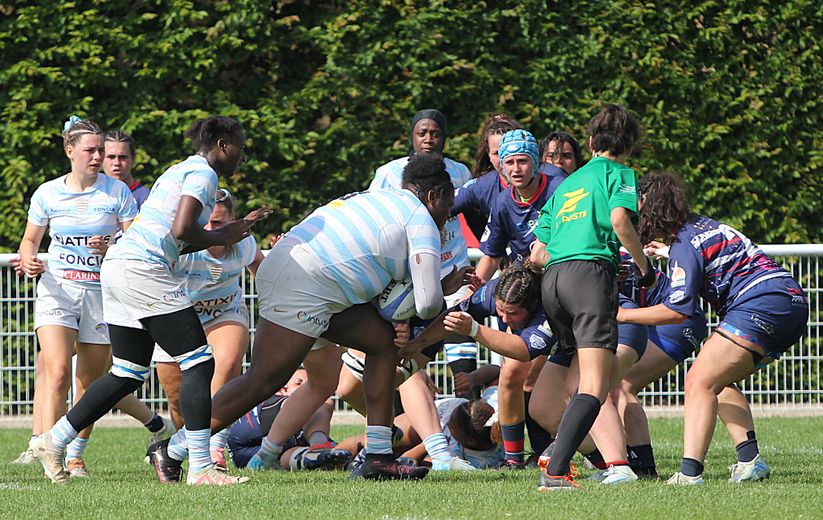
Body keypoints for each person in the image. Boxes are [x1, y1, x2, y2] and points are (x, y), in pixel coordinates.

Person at [153, 152, 460, 481]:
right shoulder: (422, 220)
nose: (448, 215)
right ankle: (173, 449)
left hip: (304, 276)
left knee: (381, 343)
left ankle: (378, 457)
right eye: (448, 204)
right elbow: (428, 304)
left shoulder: (380, 196)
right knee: (264, 380)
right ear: (434, 196)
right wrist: (447, 290)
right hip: (306, 285)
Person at [30, 115, 267, 486]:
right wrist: (231, 231)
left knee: (127, 371)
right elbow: (181, 230)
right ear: (223, 145)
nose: (243, 155)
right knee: (199, 361)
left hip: (120, 264)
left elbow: (177, 237)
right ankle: (203, 468)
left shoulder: (178, 171)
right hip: (143, 267)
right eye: (241, 146)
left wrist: (224, 234)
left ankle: (53, 439)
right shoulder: (205, 175)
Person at [616, 171, 809, 484]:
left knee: (698, 381)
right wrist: (666, 252)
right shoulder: (702, 225)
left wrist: (622, 317)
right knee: (717, 380)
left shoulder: (683, 245)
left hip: (762, 302)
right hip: (789, 302)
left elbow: (676, 311)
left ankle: (690, 474)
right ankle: (750, 461)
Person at [529, 103, 654, 491]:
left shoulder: (568, 182)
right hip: (589, 278)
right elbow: (619, 220)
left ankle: (562, 456)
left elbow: (537, 249)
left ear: (589, 142)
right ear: (629, 146)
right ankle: (554, 468)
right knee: (595, 387)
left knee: (577, 373)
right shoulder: (620, 174)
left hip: (553, 280)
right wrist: (643, 263)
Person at [16, 116, 142, 477]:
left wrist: (111, 246)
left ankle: (75, 454)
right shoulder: (48, 193)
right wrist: (27, 259)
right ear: (70, 151)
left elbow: (132, 241)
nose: (98, 156)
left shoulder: (117, 193)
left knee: (89, 382)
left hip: (101, 294)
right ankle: (46, 450)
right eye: (90, 149)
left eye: (101, 150)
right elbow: (30, 241)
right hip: (58, 290)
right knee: (55, 371)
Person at [150, 188, 264, 468]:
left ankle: (215, 447)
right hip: (178, 315)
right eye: (207, 223)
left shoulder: (245, 244)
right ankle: (177, 448)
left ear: (234, 221)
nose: (213, 229)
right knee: (178, 400)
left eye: (220, 224)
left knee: (226, 363)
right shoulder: (182, 247)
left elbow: (264, 272)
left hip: (224, 312)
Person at [472, 129, 559, 468]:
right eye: (509, 162)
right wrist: (475, 285)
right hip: (522, 295)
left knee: (539, 374)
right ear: (502, 167)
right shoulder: (503, 202)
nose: (517, 168)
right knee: (510, 376)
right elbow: (491, 255)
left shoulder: (559, 190)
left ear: (536, 163)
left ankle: (557, 447)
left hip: (558, 291)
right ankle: (513, 460)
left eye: (523, 160)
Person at [370, 109, 476, 381]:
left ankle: (466, 394)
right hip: (408, 271)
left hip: (452, 265)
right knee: (401, 343)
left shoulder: (459, 172)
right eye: (422, 133)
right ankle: (402, 403)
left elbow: (472, 212)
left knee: (456, 325)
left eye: (436, 134)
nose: (429, 139)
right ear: (412, 137)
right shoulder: (389, 172)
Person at [225, 369, 352, 471]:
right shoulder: (274, 400)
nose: (306, 390)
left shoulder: (307, 426)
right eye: (299, 383)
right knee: (323, 402)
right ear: (282, 389)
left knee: (329, 455)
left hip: (248, 456)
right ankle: (318, 444)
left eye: (308, 385)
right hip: (252, 425)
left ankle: (317, 457)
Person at [103, 130, 151, 208]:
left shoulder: (146, 198)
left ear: (133, 159)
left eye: (123, 157)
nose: (117, 163)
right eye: (111, 157)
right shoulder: (90, 194)